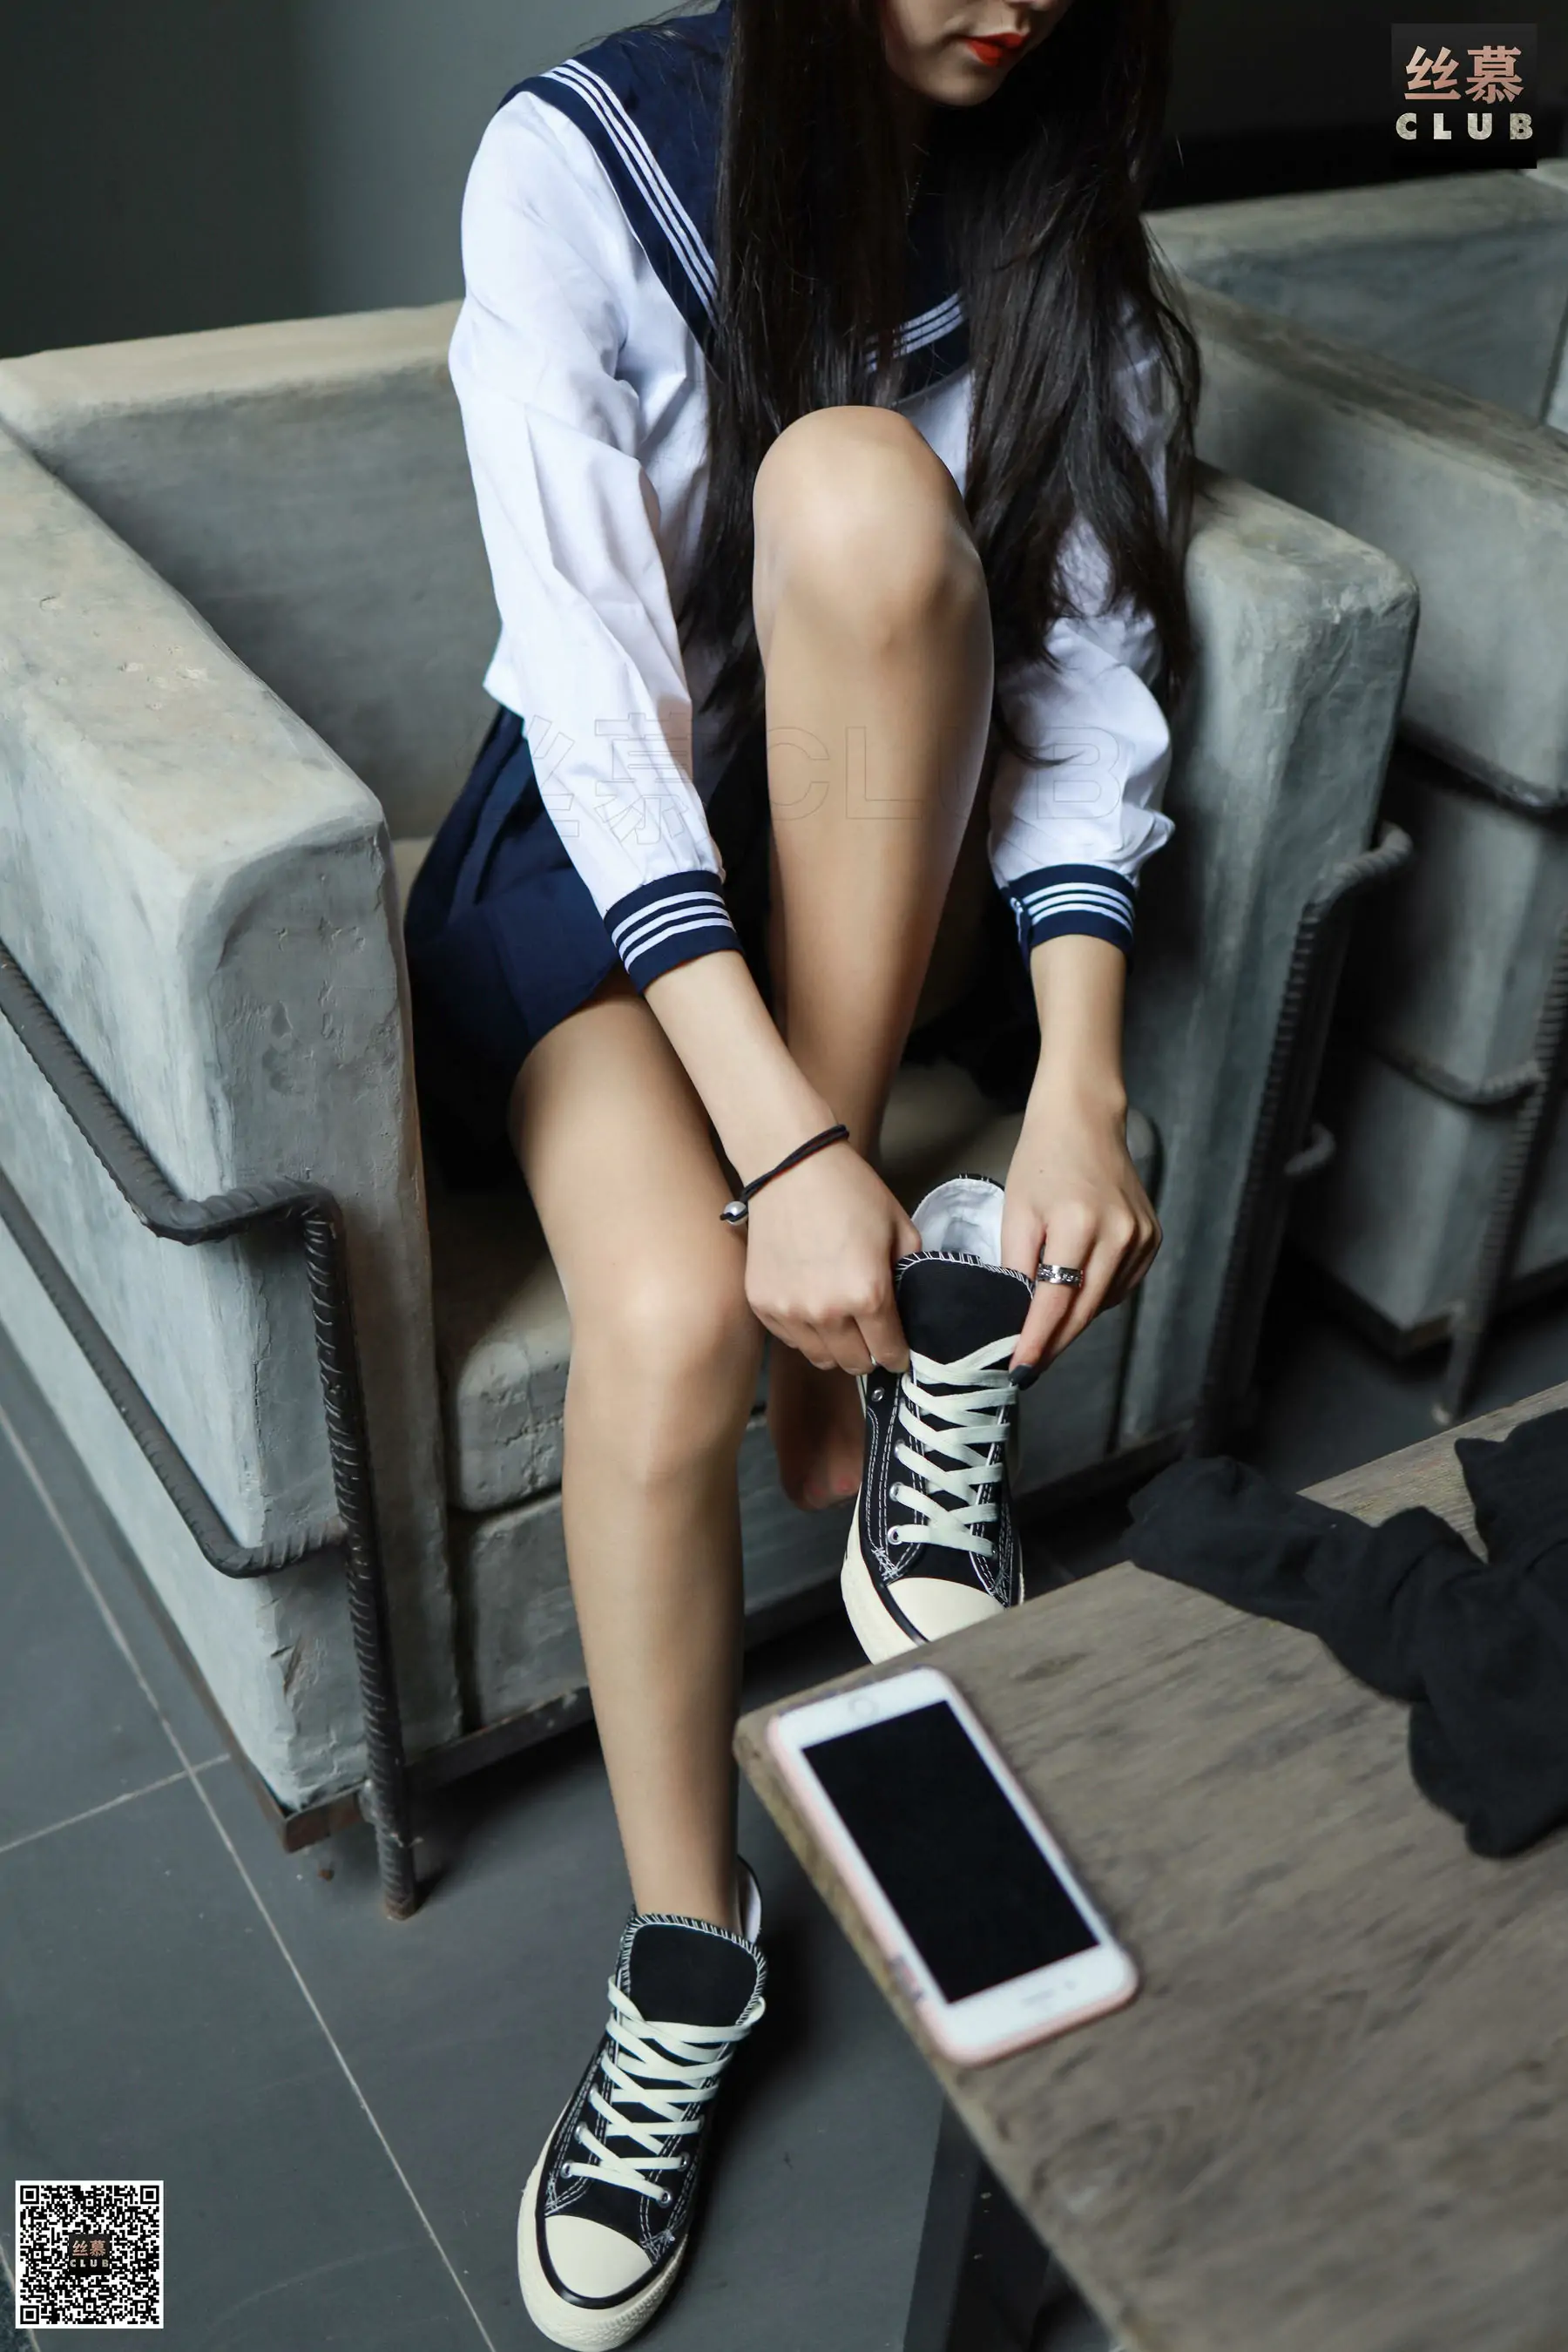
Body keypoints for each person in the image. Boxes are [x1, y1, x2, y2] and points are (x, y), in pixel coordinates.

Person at [403, 0, 1197, 2339]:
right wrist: (791, 1147)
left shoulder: (1052, 204)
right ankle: (696, 1947)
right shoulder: (579, 163)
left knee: (860, 490)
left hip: (861, 848)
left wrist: (1077, 1078)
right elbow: (586, 694)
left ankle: (826, 1322)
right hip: (606, 857)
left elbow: (1082, 672)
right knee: (656, 1323)